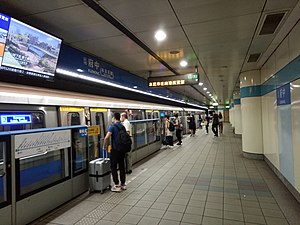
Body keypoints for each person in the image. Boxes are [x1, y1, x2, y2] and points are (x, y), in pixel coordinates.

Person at [103, 112, 126, 192]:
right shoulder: (122, 126)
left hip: (115, 150)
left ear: (114, 118)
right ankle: (123, 184)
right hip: (122, 149)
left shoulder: (112, 127)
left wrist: (104, 146)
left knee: (113, 166)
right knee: (122, 166)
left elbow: (107, 137)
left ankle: (116, 184)